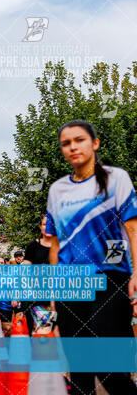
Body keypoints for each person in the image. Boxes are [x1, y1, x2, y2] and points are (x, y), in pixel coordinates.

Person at [46, 120, 137, 394]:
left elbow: (132, 229)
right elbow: (55, 245)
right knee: (79, 373)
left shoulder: (115, 178)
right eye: (66, 143)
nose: (73, 146)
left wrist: (136, 274)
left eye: (79, 139)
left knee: (108, 366)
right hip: (69, 285)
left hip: (109, 278)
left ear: (95, 143)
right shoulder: (57, 190)